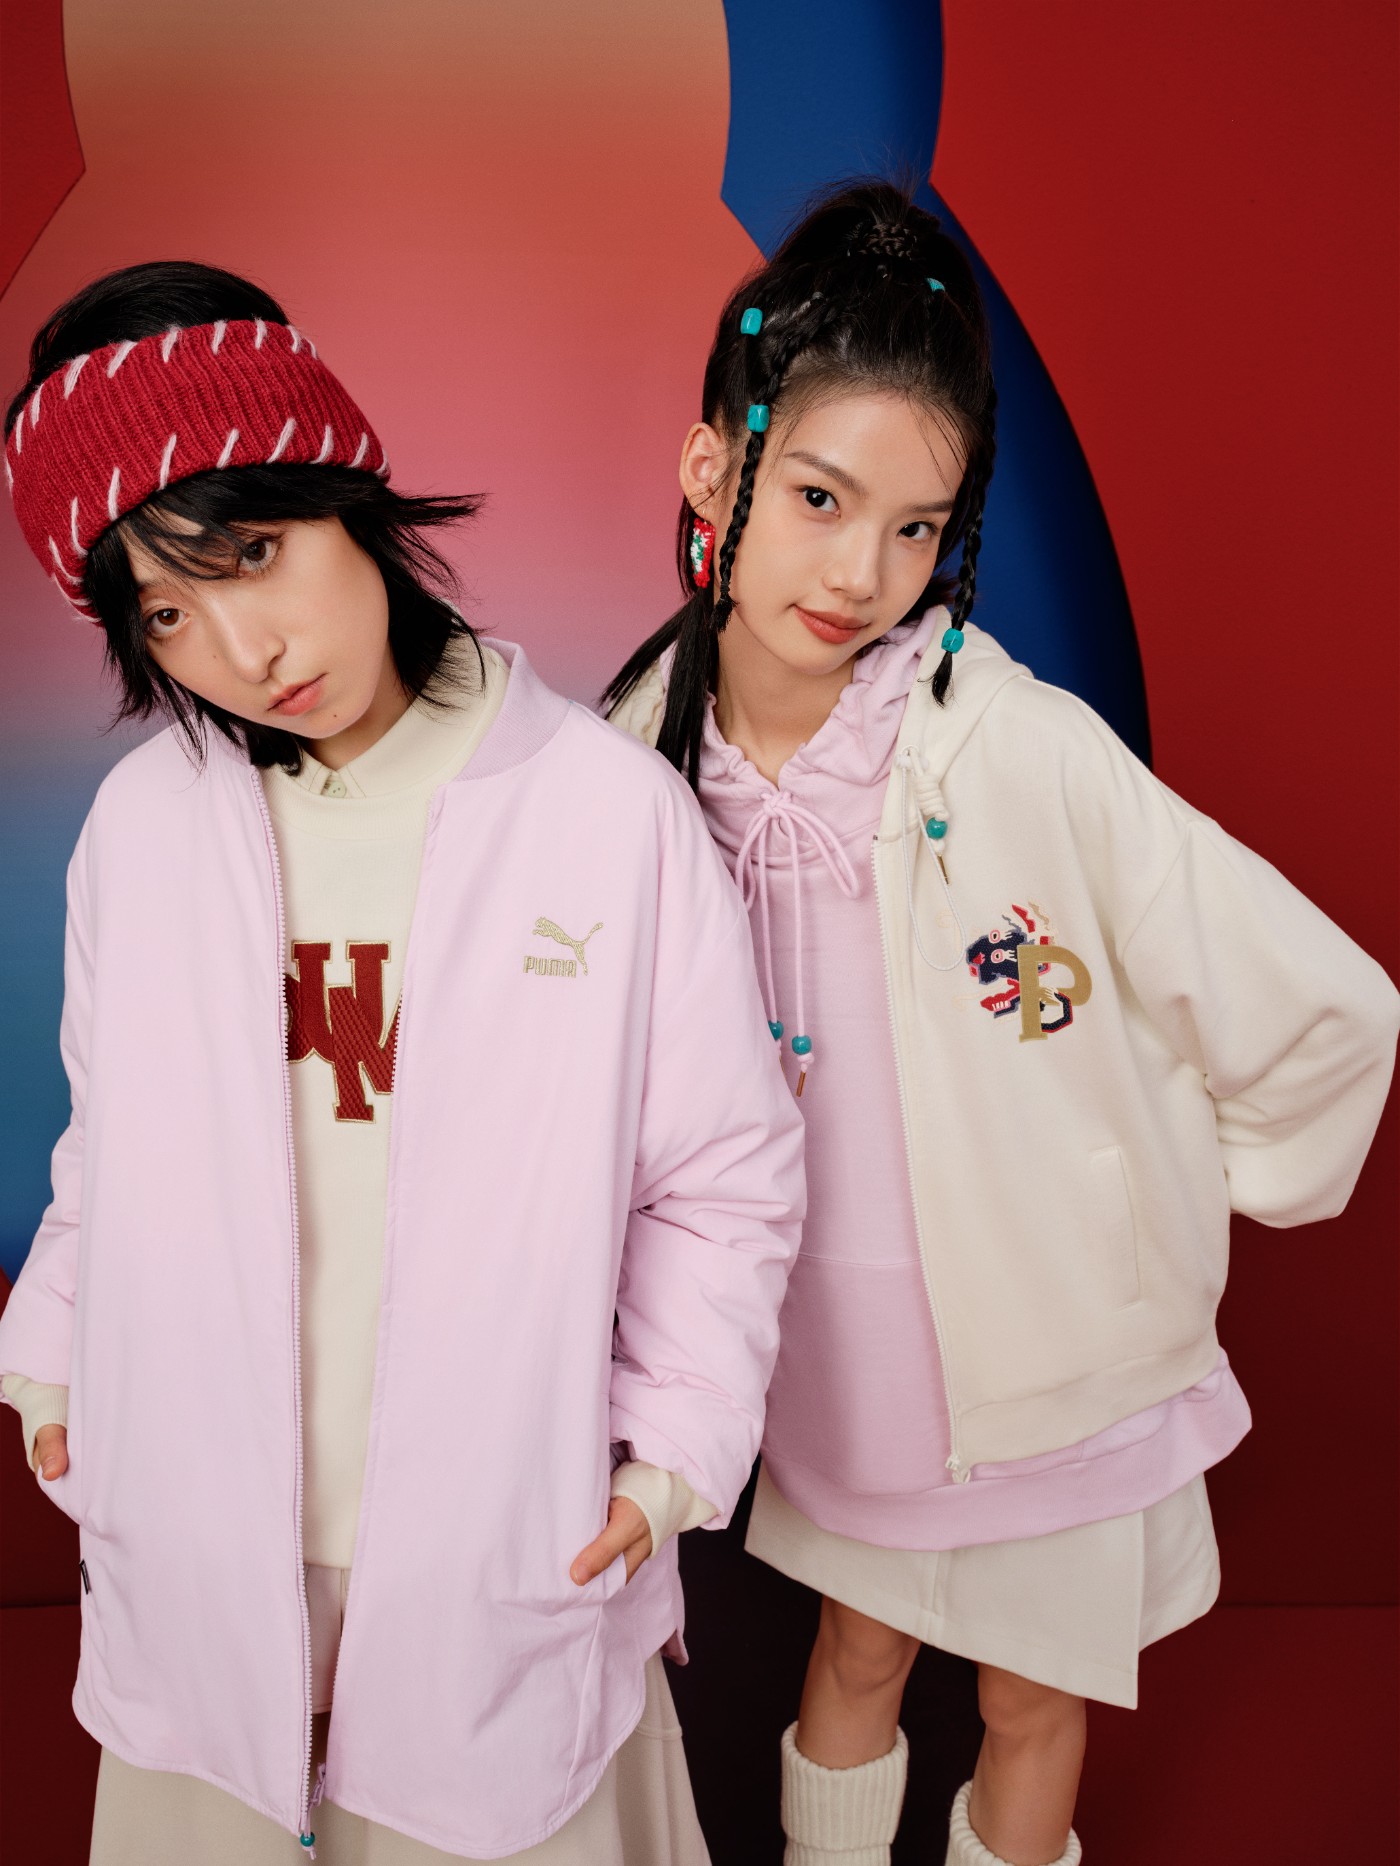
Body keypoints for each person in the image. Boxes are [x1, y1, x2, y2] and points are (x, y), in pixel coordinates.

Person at [605, 180, 1399, 1866]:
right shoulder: (631, 754)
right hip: (831, 1366)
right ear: (712, 469)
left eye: (916, 527)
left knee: (1036, 1697)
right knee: (856, 1652)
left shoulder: (1013, 744)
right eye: (820, 498)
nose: (861, 572)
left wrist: (1148, 1189)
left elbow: (1320, 998)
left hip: (1054, 1353)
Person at [0, 260, 805, 1865]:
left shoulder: (606, 817)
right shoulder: (141, 834)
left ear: (342, 487)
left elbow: (723, 1179)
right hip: (201, 1536)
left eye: (252, 550)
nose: (241, 645)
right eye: (165, 612)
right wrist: (51, 1369)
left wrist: (665, 1460)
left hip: (505, 1545)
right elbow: (108, 1153)